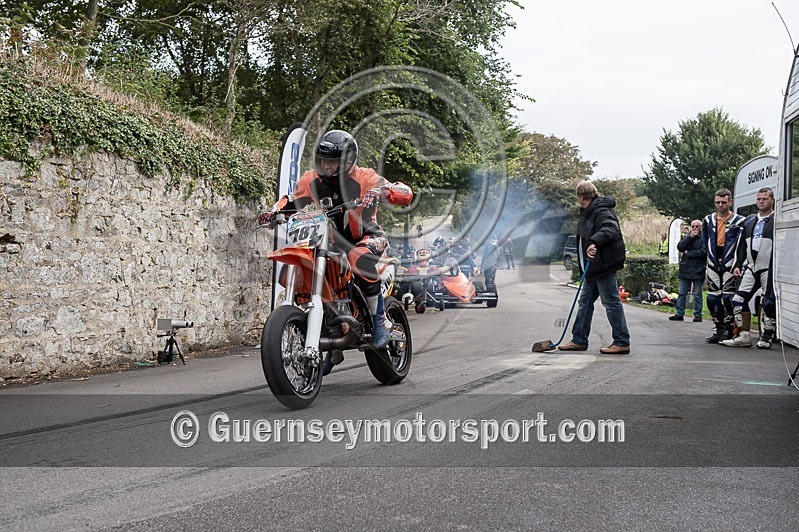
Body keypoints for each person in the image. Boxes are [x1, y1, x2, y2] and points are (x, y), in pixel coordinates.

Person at [257, 130, 413, 364]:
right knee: (305, 266)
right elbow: (291, 200)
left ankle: (379, 319)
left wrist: (381, 191)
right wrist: (273, 212)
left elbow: (405, 192)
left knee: (358, 256)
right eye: (323, 162)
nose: (327, 167)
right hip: (329, 243)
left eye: (332, 162)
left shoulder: (365, 178)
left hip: (368, 237)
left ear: (348, 161)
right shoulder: (311, 180)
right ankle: (330, 335)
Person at [558, 181, 631, 354]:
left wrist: (594, 242)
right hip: (593, 268)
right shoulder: (589, 212)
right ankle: (579, 340)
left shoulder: (601, 211)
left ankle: (621, 341)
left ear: (580, 196)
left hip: (603, 266)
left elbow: (611, 229)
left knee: (611, 303)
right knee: (585, 303)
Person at [721, 187, 777, 348]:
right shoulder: (750, 220)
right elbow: (741, 246)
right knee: (737, 300)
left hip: (769, 266)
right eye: (758, 199)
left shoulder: (776, 219)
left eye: (764, 199)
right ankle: (744, 335)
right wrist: (737, 265)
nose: (761, 201)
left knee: (768, 302)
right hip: (752, 266)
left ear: (772, 200)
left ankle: (767, 335)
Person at [701, 188, 745, 344]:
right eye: (717, 202)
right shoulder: (707, 220)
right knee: (712, 299)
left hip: (730, 263)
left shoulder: (739, 221)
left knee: (728, 298)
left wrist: (738, 264)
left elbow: (742, 246)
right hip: (712, 263)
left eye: (723, 202)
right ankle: (717, 328)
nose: (720, 205)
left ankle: (728, 329)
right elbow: (704, 241)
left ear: (730, 202)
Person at [668, 220, 706, 322]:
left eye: (697, 226)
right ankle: (679, 314)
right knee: (682, 293)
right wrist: (690, 237)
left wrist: (688, 253)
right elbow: (680, 247)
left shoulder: (704, 238)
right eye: (693, 226)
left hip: (698, 269)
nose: (694, 228)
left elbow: (703, 252)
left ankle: (698, 315)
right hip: (685, 269)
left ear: (701, 228)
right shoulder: (687, 237)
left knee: (697, 294)